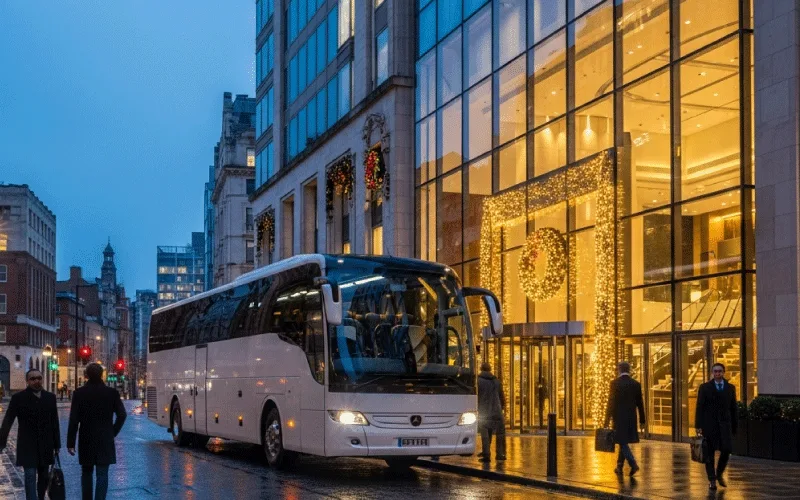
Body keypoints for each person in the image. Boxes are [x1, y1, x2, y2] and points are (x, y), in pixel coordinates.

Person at [67, 363, 127, 500]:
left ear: (86, 375)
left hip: (86, 437)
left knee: (86, 472)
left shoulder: (79, 393)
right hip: (105, 437)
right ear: (102, 375)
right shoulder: (112, 393)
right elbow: (122, 415)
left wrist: (71, 442)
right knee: (102, 473)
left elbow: (74, 420)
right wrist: (113, 432)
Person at [0, 369, 61, 500]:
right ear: (27, 381)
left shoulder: (50, 398)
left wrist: (57, 444)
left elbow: (54, 422)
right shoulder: (18, 398)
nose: (36, 381)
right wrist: (2, 442)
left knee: (44, 477)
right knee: (29, 476)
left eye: (39, 378)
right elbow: (8, 420)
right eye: (33, 379)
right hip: (27, 444)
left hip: (46, 444)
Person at [695, 362, 738, 491]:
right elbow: (699, 407)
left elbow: (733, 408)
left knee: (727, 450)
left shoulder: (730, 388)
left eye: (720, 371)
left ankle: (719, 473)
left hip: (725, 425)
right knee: (709, 454)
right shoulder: (705, 387)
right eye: (715, 371)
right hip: (709, 426)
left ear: (723, 372)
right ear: (712, 373)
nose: (717, 373)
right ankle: (712, 480)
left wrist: (735, 425)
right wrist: (698, 425)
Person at [604, 361, 645, 477]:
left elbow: (611, 403)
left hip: (619, 418)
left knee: (622, 442)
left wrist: (607, 420)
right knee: (624, 441)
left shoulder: (614, 383)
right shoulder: (636, 384)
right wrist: (642, 421)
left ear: (619, 370)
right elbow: (640, 404)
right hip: (631, 418)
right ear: (629, 370)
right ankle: (619, 466)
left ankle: (633, 464)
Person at [477, 362, 506, 462]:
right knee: (500, 433)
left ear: (481, 369)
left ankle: (486, 454)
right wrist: (502, 407)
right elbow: (502, 397)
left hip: (484, 411)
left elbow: (477, 397)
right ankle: (500, 453)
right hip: (497, 411)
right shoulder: (497, 381)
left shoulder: (478, 381)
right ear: (490, 369)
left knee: (485, 432)